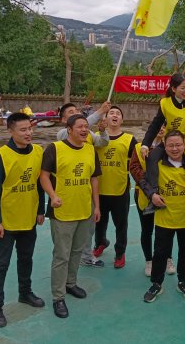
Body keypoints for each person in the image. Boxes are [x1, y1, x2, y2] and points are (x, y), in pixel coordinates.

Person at [0, 112, 45, 328]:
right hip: (7, 221)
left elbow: (39, 183)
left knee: (26, 258)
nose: (28, 133)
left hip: (29, 218)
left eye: (30, 128)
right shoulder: (0, 156)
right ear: (10, 131)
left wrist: (41, 210)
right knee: (0, 264)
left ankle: (25, 292)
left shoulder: (38, 152)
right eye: (23, 130)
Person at [40, 114, 101, 319]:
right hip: (63, 212)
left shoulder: (90, 149)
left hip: (84, 210)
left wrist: (96, 206)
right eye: (80, 127)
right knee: (61, 255)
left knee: (76, 251)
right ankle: (58, 297)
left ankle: (70, 283)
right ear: (69, 129)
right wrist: (53, 195)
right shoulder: (55, 149)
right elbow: (43, 175)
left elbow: (94, 179)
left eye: (86, 127)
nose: (85, 130)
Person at [142, 130, 185, 303]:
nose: (175, 148)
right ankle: (156, 283)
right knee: (160, 253)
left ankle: (183, 281)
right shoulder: (157, 164)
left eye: (178, 145)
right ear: (164, 146)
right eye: (170, 145)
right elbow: (144, 180)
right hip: (164, 218)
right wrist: (152, 195)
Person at [141, 73, 185, 233]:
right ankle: (154, 196)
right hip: (170, 143)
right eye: (182, 88)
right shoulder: (165, 103)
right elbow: (155, 125)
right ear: (173, 88)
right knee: (152, 158)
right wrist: (145, 144)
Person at [57, 101, 109, 268]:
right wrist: (100, 111)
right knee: (68, 229)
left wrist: (103, 131)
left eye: (76, 111)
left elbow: (103, 142)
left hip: (86, 188)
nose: (75, 113)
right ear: (64, 121)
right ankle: (68, 257)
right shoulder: (62, 135)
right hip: (69, 191)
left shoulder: (88, 135)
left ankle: (86, 255)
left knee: (88, 227)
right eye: (70, 113)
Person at [129, 125, 177, 277]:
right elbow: (134, 168)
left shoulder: (169, 147)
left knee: (166, 229)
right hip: (144, 194)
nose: (161, 129)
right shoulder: (139, 147)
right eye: (158, 126)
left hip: (165, 193)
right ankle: (149, 261)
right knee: (147, 229)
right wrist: (149, 182)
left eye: (164, 126)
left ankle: (168, 258)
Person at [93, 106, 137, 268]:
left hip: (120, 189)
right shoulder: (96, 137)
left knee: (121, 224)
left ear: (122, 120)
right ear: (105, 118)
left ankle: (120, 252)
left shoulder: (129, 139)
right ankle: (100, 243)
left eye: (118, 113)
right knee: (99, 221)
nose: (115, 115)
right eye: (111, 112)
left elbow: (138, 160)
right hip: (99, 189)